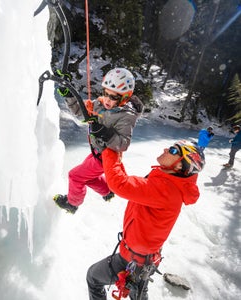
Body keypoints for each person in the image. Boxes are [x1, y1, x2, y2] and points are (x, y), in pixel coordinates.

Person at [87, 141, 205, 300]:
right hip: (144, 260)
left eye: (173, 150)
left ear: (179, 166)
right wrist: (115, 155)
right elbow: (128, 182)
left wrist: (109, 149)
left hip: (133, 260)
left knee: (93, 277)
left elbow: (120, 184)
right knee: (138, 294)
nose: (165, 149)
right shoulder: (169, 183)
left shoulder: (166, 189)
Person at [53, 68, 144, 214]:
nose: (107, 99)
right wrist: (68, 93)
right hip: (97, 152)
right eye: (105, 93)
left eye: (113, 97)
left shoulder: (127, 116)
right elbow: (79, 112)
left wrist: (104, 133)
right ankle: (106, 190)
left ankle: (72, 203)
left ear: (125, 97)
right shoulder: (100, 104)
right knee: (87, 177)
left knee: (75, 176)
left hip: (106, 157)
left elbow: (123, 143)